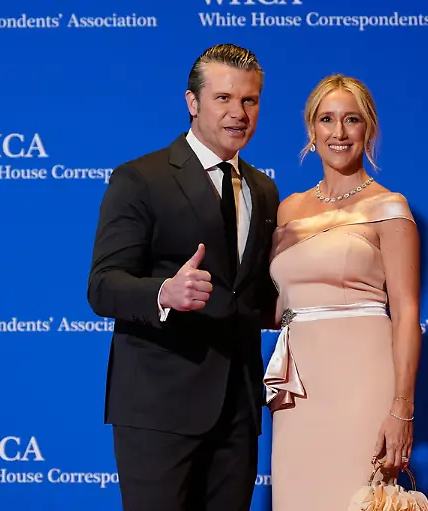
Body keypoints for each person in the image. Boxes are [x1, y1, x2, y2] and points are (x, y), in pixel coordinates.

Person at [87, 43, 280, 511]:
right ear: (192, 103)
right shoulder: (141, 178)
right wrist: (164, 292)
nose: (238, 113)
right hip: (159, 407)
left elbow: (252, 295)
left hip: (237, 407)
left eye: (249, 100)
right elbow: (103, 285)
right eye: (223, 99)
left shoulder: (263, 188)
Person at [263, 74, 422, 510]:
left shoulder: (388, 206)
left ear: (367, 128)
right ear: (311, 130)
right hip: (298, 391)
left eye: (351, 119)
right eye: (326, 119)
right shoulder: (289, 208)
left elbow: (407, 313)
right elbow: (277, 307)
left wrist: (401, 409)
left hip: (361, 383)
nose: (338, 132)